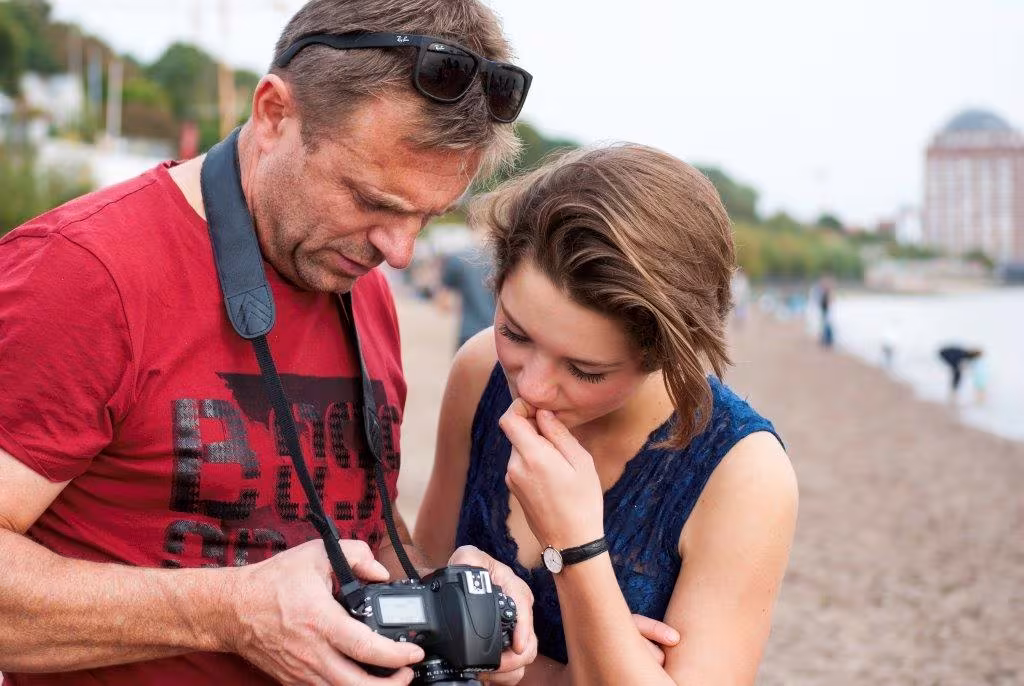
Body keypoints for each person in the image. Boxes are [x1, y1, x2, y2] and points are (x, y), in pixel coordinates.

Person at [0, 1, 538, 684]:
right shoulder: (82, 272)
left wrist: (440, 589)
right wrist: (231, 614)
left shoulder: (357, 281)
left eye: (425, 218)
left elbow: (357, 531)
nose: (398, 252)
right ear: (274, 113)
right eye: (371, 200)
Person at [415, 144, 798, 684]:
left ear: (666, 353)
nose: (532, 385)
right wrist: (446, 586)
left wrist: (576, 547)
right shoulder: (480, 369)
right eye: (515, 333)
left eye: (587, 371)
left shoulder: (743, 473)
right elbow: (416, 568)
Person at [435, 225, 497, 350]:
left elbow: (443, 303)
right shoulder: (503, 259)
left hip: (469, 332)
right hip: (496, 334)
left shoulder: (459, 258)